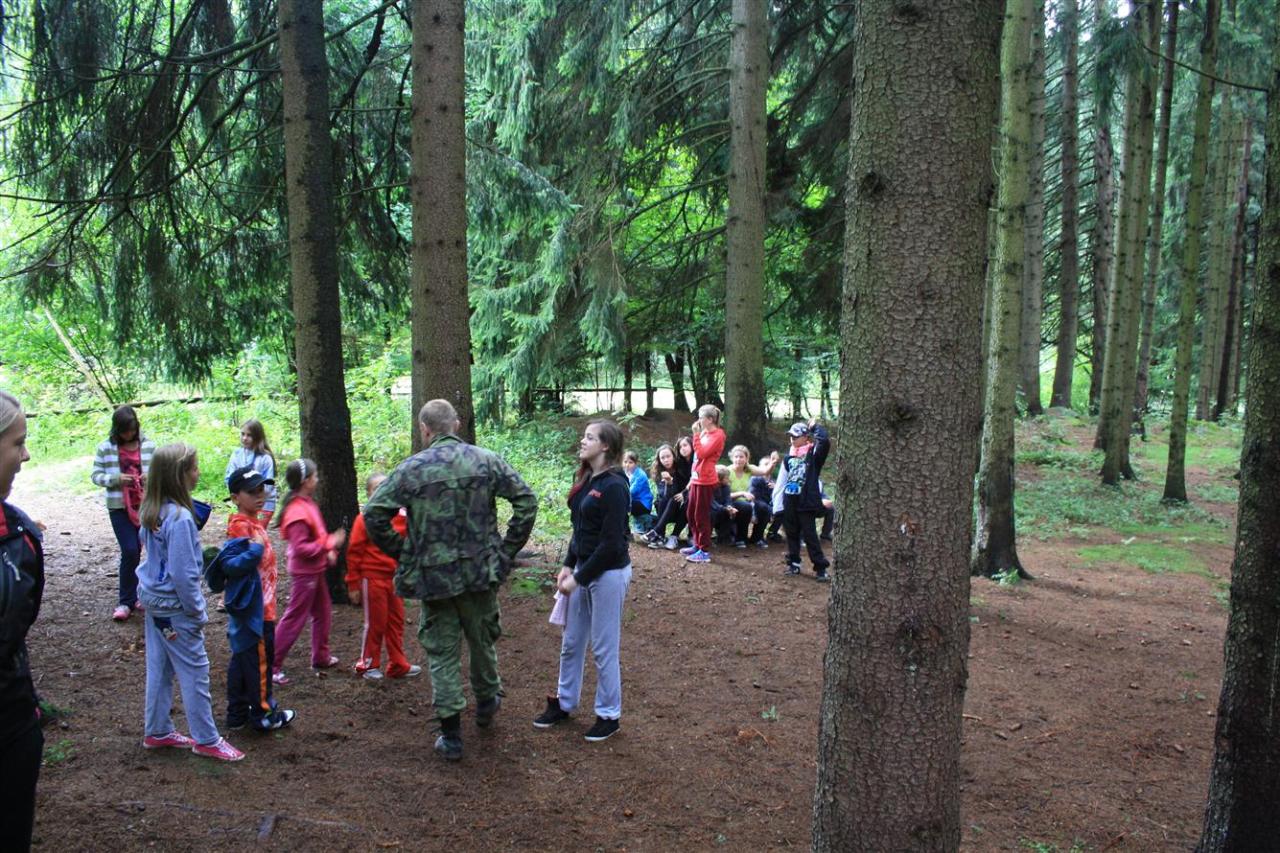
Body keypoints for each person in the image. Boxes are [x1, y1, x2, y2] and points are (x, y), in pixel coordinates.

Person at [364, 400, 537, 761]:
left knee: (442, 652)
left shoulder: (412, 469)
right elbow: (525, 500)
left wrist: (406, 552)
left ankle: (452, 734)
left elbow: (374, 513)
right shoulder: (485, 460)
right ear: (456, 424)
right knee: (482, 639)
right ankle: (487, 701)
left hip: (434, 578)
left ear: (424, 429)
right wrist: (505, 551)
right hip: (479, 572)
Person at [136, 444, 243, 761]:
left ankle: (157, 730)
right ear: (179, 475)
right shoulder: (181, 518)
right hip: (175, 608)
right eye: (194, 468)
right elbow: (183, 574)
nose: (198, 472)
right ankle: (206, 739)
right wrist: (197, 610)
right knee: (196, 671)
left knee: (160, 666)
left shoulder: (153, 510)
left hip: (154, 602)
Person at [532, 420, 632, 743]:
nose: (583, 441)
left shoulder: (615, 486)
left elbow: (612, 544)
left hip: (609, 574)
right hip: (582, 571)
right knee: (572, 642)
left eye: (590, 437)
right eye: (584, 436)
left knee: (603, 648)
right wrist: (568, 564)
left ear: (605, 446)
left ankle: (609, 715)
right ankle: (565, 702)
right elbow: (580, 530)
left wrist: (578, 578)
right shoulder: (588, 478)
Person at [213, 466, 295, 732]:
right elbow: (232, 565)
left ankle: (237, 714)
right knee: (260, 662)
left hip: (259, 607)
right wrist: (254, 551)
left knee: (243, 658)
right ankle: (264, 714)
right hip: (256, 610)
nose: (259, 496)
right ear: (235, 497)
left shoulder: (254, 522)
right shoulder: (241, 526)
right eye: (252, 492)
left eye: (261, 490)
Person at [0, 391, 45, 849]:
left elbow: (21, 623)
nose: (25, 455)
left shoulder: (20, 535)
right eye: (17, 443)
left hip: (12, 724)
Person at [271, 459, 346, 685]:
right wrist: (330, 543)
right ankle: (272, 665)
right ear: (305, 481)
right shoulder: (296, 511)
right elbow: (301, 548)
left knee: (323, 611)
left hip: (315, 570)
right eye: (315, 476)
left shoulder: (307, 503)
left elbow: (317, 537)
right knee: (295, 617)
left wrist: (327, 550)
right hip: (305, 574)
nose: (317, 479)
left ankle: (320, 656)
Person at [346, 473, 421, 681]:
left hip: (394, 579)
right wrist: (353, 584)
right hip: (372, 578)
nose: (381, 492)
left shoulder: (401, 517)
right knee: (375, 623)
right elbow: (354, 553)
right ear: (369, 494)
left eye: (384, 487)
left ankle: (398, 664)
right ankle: (368, 664)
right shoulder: (364, 519)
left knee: (396, 621)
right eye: (376, 488)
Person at [92, 405, 156, 622]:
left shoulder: (149, 446)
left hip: (146, 506)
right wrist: (115, 479)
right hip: (119, 507)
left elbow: (160, 472)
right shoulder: (105, 448)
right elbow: (96, 476)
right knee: (130, 550)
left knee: (151, 551)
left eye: (131, 430)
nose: (128, 434)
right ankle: (126, 601)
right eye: (124, 431)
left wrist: (149, 478)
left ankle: (143, 595)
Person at [780, 421, 831, 581]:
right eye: (791, 436)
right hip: (790, 500)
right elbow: (786, 479)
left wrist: (815, 427)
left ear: (806, 437)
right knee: (791, 533)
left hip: (806, 501)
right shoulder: (788, 457)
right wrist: (778, 502)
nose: (792, 439)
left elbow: (824, 442)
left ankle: (820, 567)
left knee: (810, 535)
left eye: (796, 436)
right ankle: (793, 563)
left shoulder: (813, 455)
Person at [682, 405, 725, 564]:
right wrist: (699, 435)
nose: (698, 420)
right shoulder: (705, 433)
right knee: (690, 513)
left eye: (701, 417)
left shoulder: (718, 435)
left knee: (701, 515)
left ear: (710, 419)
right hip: (696, 478)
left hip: (706, 480)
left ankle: (704, 550)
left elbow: (701, 453)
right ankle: (697, 544)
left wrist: (695, 435)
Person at [223, 419, 278, 523]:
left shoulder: (265, 458)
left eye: (249, 435)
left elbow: (268, 485)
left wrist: (254, 497)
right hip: (243, 502)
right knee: (242, 528)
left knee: (257, 529)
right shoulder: (236, 455)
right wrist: (240, 497)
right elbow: (230, 478)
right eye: (243, 434)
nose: (244, 438)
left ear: (257, 437)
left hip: (264, 504)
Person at [641, 441, 690, 550]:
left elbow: (688, 487)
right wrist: (669, 483)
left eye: (668, 456)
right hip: (666, 508)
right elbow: (664, 496)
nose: (666, 460)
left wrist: (683, 494)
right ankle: (661, 535)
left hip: (682, 510)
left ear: (673, 456)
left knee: (680, 500)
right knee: (667, 500)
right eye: (662, 458)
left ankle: (662, 533)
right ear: (659, 460)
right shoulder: (659, 473)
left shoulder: (681, 469)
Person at [726, 446, 777, 547]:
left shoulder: (749, 469)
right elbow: (725, 495)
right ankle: (740, 539)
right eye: (736, 457)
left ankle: (757, 538)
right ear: (732, 458)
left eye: (741, 457)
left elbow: (765, 472)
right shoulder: (728, 471)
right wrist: (742, 493)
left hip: (746, 501)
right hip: (730, 501)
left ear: (746, 459)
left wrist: (773, 463)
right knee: (745, 506)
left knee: (764, 508)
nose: (738, 459)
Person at [746, 457, 776, 548]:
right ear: (759, 467)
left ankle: (772, 534)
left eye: (771, 464)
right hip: (755, 504)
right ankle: (756, 538)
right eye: (766, 464)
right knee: (764, 508)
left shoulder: (774, 481)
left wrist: (776, 488)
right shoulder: (755, 479)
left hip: (768, 506)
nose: (769, 466)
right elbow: (753, 497)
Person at [621, 450, 654, 534]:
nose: (627, 465)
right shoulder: (626, 473)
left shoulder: (640, 475)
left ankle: (625, 529)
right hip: (634, 502)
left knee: (621, 504)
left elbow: (631, 492)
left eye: (630, 462)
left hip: (643, 504)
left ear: (636, 463)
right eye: (625, 462)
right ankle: (625, 528)